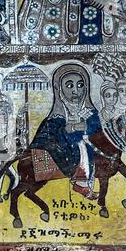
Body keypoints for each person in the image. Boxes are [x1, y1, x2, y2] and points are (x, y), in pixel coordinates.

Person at [29, 64, 102, 199]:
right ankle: (81, 183)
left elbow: (97, 124)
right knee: (81, 146)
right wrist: (67, 129)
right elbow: (49, 132)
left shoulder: (89, 110)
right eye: (69, 86)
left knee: (86, 144)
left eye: (80, 85)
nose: (76, 90)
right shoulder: (57, 114)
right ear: (59, 89)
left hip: (88, 141)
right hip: (66, 146)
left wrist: (86, 126)